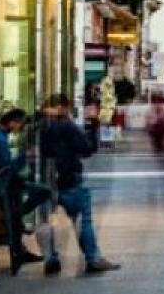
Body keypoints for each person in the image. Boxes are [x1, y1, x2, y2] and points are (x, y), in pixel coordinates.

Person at [34, 95, 116, 275]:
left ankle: (50, 259)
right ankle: (93, 258)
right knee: (82, 219)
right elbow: (87, 149)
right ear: (62, 107)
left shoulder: (39, 127)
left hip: (43, 182)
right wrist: (92, 125)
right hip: (69, 179)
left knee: (45, 221)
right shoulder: (67, 125)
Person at [0, 109, 48, 270]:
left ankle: (15, 223)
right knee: (43, 191)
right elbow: (7, 168)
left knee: (18, 207)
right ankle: (13, 219)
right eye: (20, 124)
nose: (20, 128)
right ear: (12, 122)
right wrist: (25, 157)